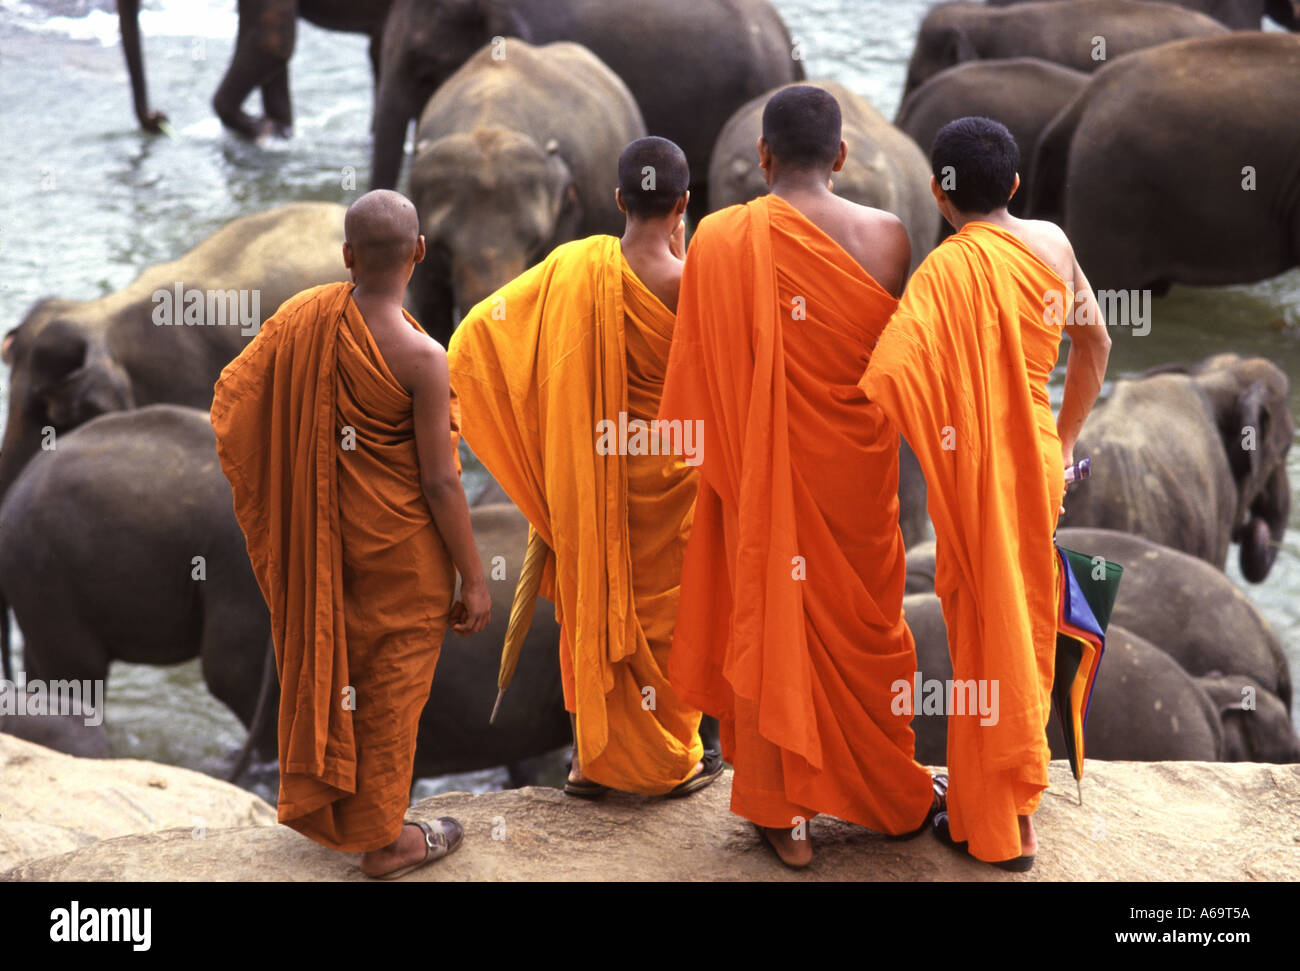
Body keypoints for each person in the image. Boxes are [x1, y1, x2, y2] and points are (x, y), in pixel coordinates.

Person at [657, 85, 946, 868]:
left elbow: (697, 383)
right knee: (870, 631)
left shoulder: (717, 239)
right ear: (843, 156)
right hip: (856, 483)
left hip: (763, 483)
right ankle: (890, 794)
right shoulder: (889, 237)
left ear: (761, 157)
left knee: (770, 610)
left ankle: (784, 818)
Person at [211, 189, 491, 879]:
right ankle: (386, 840)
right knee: (392, 690)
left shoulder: (303, 319)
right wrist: (476, 576)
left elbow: (234, 402)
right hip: (404, 557)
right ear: (420, 253)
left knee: (348, 675)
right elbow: (440, 481)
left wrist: (294, 496)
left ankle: (349, 811)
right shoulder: (425, 357)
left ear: (346, 257)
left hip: (330, 549)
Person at [860, 116, 1111, 871]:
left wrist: (947, 448)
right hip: (1034, 461)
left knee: (980, 634)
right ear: (1013, 185)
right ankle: (1004, 803)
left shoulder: (941, 271)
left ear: (939, 195)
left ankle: (995, 824)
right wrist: (1062, 439)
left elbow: (892, 376)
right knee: (1026, 618)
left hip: (971, 470)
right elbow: (1096, 344)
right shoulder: (1054, 246)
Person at [447, 136, 722, 799]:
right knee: (668, 616)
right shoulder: (697, 283)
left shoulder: (573, 267)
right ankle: (670, 761)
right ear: (685, 203)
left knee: (594, 599)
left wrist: (544, 439)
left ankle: (590, 761)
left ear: (619, 199)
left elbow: (475, 338)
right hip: (673, 475)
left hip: (589, 475)